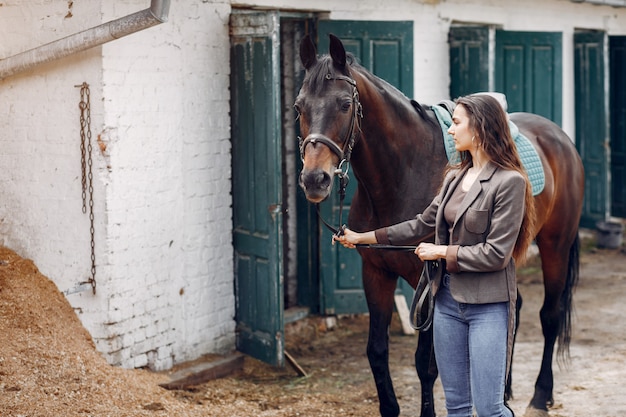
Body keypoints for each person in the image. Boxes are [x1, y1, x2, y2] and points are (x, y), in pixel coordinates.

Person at [334, 93, 536, 417]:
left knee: (489, 409)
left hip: (488, 306)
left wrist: (441, 250)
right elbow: (421, 223)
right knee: (455, 406)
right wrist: (363, 238)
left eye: (456, 123)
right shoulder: (453, 176)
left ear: (481, 127)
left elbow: (497, 255)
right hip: (446, 304)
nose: (451, 131)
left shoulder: (509, 182)